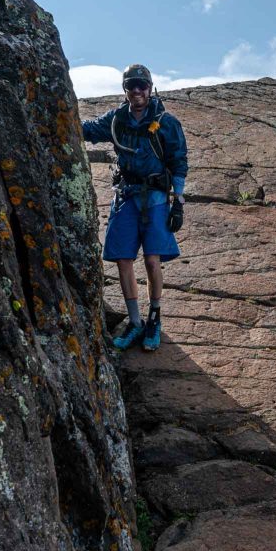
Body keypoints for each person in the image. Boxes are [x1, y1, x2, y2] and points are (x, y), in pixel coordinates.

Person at [81, 64, 188, 351]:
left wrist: (177, 203)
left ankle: (154, 317)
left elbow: (179, 162)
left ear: (151, 87)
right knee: (123, 259)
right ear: (125, 89)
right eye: (132, 85)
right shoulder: (117, 119)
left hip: (154, 198)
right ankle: (135, 321)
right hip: (126, 196)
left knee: (153, 260)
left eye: (142, 85)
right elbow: (88, 130)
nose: (137, 90)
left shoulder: (166, 122)